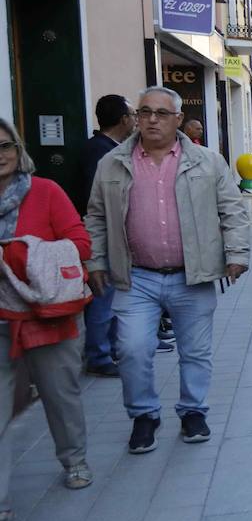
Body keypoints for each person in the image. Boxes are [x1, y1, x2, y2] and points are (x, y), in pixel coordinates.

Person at [86, 86, 252, 454]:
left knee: (195, 351)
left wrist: (237, 251)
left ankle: (193, 410)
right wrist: (95, 261)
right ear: (135, 118)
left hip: (191, 274)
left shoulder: (208, 161)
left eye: (161, 113)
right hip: (136, 275)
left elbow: (232, 210)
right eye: (144, 112)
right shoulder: (112, 162)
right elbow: (96, 216)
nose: (151, 120)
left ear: (178, 119)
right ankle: (144, 415)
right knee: (132, 348)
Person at [0, 119, 95, 521]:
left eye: (4, 145)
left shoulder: (46, 191)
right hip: (1, 318)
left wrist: (26, 254)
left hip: (47, 313)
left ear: (18, 148)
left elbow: (81, 243)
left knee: (61, 395)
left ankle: (74, 460)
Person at [79, 95, 135, 377]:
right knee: (104, 296)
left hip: (117, 237)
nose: (137, 120)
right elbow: (97, 202)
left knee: (114, 296)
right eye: (134, 115)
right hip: (107, 237)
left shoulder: (110, 148)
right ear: (123, 119)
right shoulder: (100, 152)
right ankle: (99, 355)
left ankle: (111, 349)